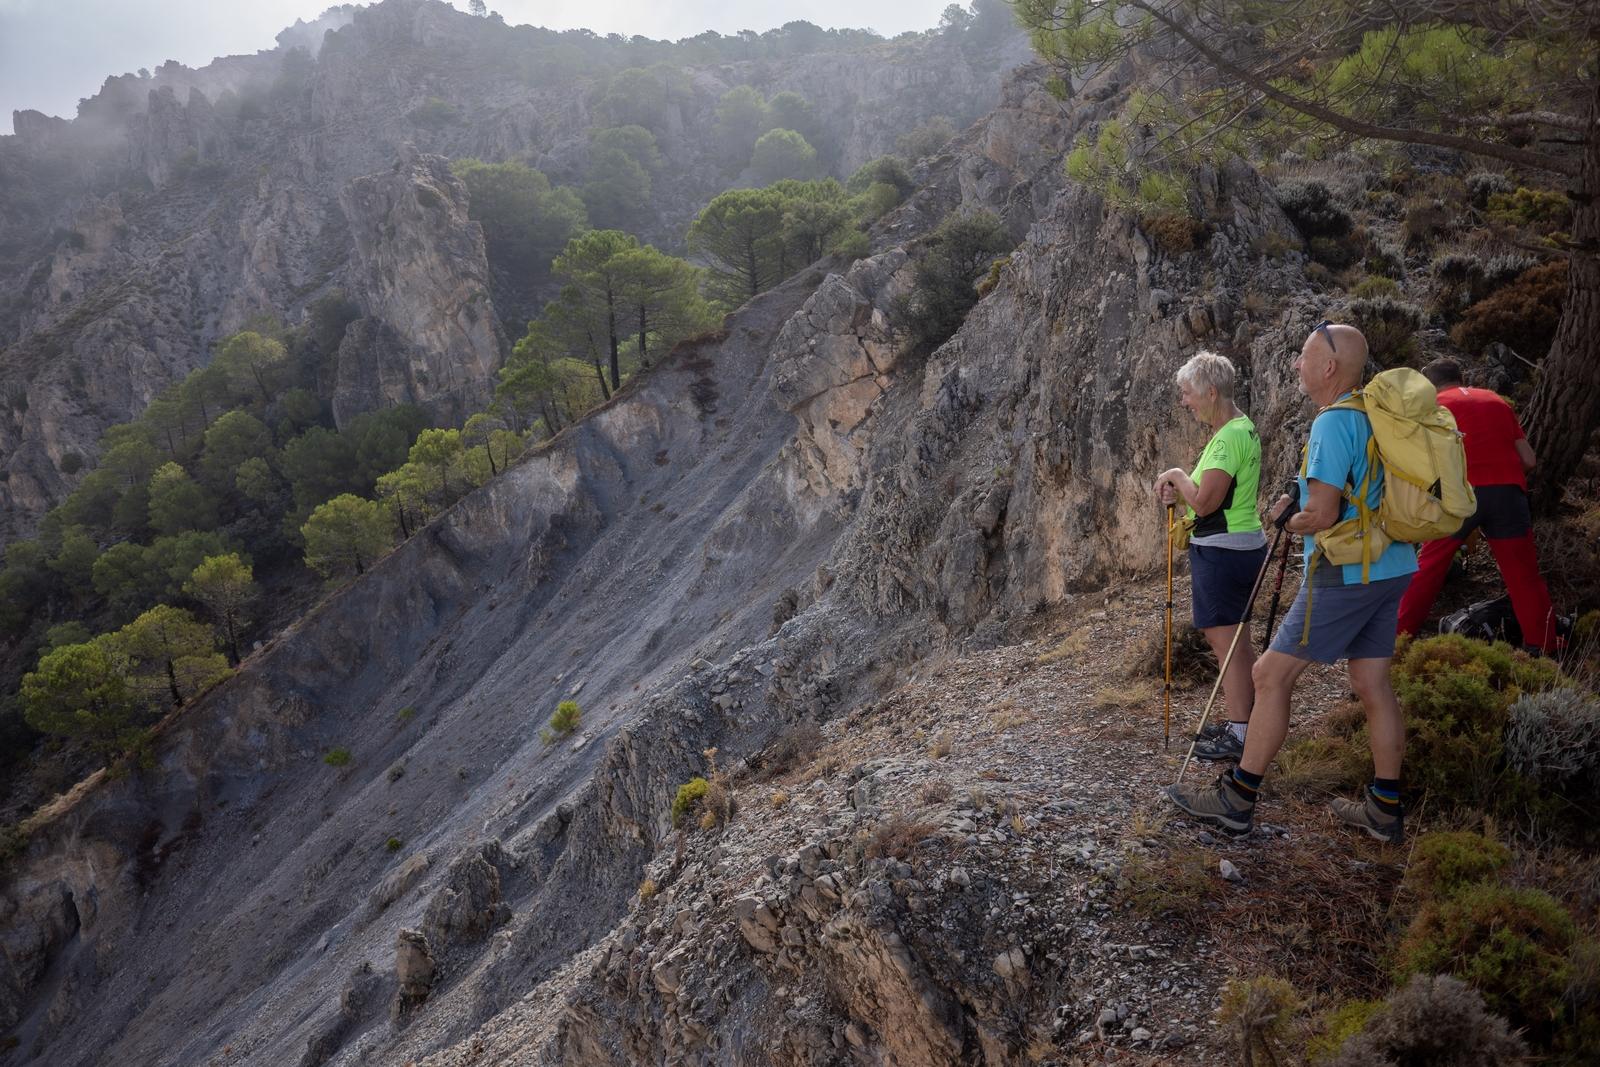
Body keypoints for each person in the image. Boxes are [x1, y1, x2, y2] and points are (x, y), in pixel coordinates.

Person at [1165, 322, 1417, 843]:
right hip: (1394, 565)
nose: (1296, 365)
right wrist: (1302, 503)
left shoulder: (1331, 423)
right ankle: (1384, 807)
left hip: (1347, 570)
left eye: (1303, 357)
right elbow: (1357, 493)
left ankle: (1237, 798)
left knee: (1268, 676)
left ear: (1329, 367)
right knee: (1372, 684)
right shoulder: (1378, 415)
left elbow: (1323, 515)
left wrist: (1292, 518)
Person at [1396, 359, 1558, 653]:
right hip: (1508, 492)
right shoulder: (1495, 400)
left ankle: (1394, 642)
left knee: (1427, 569)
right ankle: (1543, 648)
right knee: (1524, 576)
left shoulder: (1433, 406)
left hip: (1460, 496)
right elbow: (1529, 460)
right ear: (1462, 377)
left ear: (1428, 387)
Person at [1153, 352, 1266, 763]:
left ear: (1211, 392)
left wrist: (1178, 476)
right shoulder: (1241, 428)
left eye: (1187, 394)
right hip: (1242, 544)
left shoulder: (1228, 438)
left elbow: (1204, 503)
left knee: (1226, 645)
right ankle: (1246, 723)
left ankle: (1241, 734)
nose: (1185, 401)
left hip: (1222, 551)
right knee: (1237, 641)